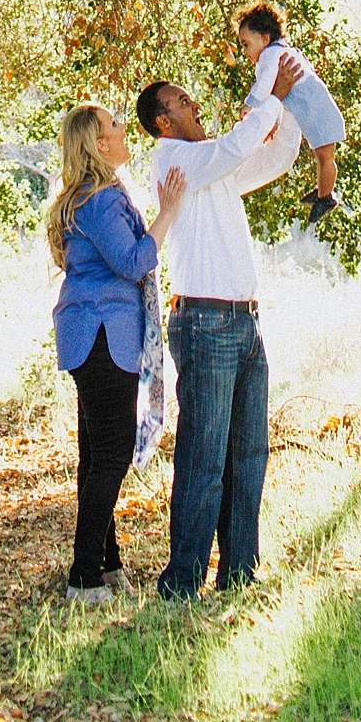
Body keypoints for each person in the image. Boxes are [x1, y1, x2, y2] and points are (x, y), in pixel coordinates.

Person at [134, 54, 303, 601]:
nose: (195, 103)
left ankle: (239, 571)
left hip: (244, 321)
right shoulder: (173, 161)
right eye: (183, 100)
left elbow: (273, 155)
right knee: (204, 457)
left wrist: (295, 100)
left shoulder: (213, 164)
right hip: (205, 322)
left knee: (249, 453)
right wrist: (267, 98)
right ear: (163, 121)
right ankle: (181, 583)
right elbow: (235, 146)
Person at [46, 101, 187, 604]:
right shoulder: (101, 200)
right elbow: (132, 263)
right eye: (113, 124)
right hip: (105, 336)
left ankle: (104, 565)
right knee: (110, 453)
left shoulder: (93, 197)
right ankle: (83, 577)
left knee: (96, 453)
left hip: (92, 337)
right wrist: (166, 215)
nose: (124, 128)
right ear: (98, 144)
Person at [235, 0, 348, 224]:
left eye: (246, 44)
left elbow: (267, 85)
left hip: (316, 107)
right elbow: (281, 96)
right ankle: (322, 189)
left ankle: (326, 197)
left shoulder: (270, 56)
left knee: (325, 156)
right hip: (312, 106)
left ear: (264, 39)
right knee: (322, 155)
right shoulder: (280, 52)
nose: (245, 51)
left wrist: (251, 103)